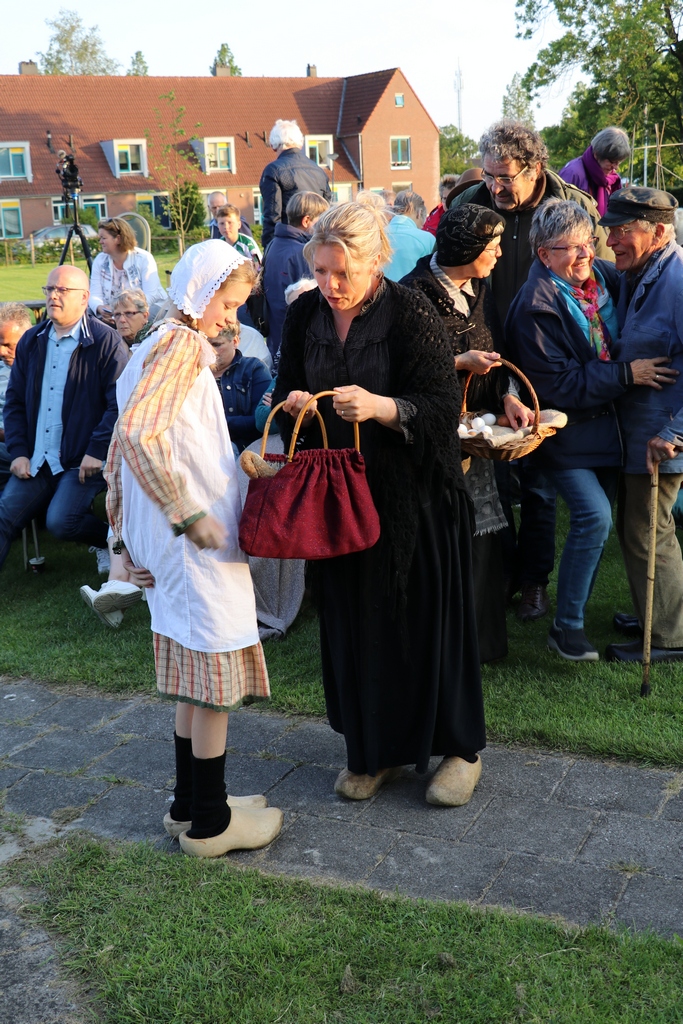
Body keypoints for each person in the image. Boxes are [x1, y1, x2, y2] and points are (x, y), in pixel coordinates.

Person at [273, 200, 486, 807]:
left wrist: (382, 407)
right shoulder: (305, 314)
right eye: (320, 270)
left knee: (424, 625)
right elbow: (286, 389)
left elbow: (441, 411)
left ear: (375, 262)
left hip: (413, 498)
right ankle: (375, 752)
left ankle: (460, 752)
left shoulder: (410, 311)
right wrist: (296, 405)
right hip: (339, 496)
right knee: (357, 625)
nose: (330, 285)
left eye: (342, 272)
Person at [104, 239, 284, 857]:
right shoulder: (181, 345)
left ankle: (190, 803)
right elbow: (137, 435)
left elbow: (119, 451)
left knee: (191, 673)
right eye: (226, 304)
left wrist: (121, 537)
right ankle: (211, 823)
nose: (231, 319)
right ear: (200, 292)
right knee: (211, 676)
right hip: (192, 545)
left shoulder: (155, 341)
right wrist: (187, 513)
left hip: (170, 541)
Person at [451, 119, 612, 623]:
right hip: (488, 353)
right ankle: (497, 574)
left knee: (540, 480)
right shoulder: (470, 202)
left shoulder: (570, 204)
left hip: (548, 355)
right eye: (489, 175)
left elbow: (597, 272)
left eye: (506, 177)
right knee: (493, 473)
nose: (496, 187)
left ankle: (533, 582)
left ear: (536, 167)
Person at [507, 198, 675, 660]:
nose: (585, 254)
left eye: (588, 242)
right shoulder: (535, 306)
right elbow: (558, 386)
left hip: (608, 430)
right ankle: (567, 627)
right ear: (544, 254)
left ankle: (572, 619)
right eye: (571, 248)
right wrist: (627, 374)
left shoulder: (602, 276)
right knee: (594, 517)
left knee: (597, 528)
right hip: (564, 431)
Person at [402, 204, 533, 663]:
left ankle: (481, 643)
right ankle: (443, 645)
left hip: (476, 433)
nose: (499, 254)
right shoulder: (414, 294)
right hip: (434, 437)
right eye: (491, 246)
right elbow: (402, 369)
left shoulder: (479, 289)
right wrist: (459, 362)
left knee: (481, 537)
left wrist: (508, 397)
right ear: (465, 248)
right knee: (445, 536)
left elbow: (496, 350)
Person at [597, 188, 683, 663]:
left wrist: (674, 434)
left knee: (650, 530)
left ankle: (669, 637)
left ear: (660, 232)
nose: (611, 241)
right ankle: (654, 612)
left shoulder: (678, 280)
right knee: (637, 526)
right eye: (610, 230)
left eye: (622, 231)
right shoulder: (643, 271)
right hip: (637, 433)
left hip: (660, 437)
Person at [0, 266, 128, 574]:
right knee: (3, 515)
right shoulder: (31, 340)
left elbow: (119, 404)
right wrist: (18, 452)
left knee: (60, 522)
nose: (53, 296)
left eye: (62, 290)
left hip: (82, 461)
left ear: (84, 298)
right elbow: (14, 403)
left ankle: (116, 542)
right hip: (37, 460)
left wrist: (97, 450)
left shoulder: (105, 342)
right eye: (49, 289)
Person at [262, 190, 329, 360]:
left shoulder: (272, 245)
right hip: (297, 343)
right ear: (306, 221)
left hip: (275, 339)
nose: (324, 228)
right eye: (321, 221)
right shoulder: (303, 252)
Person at [259, 119, 332, 246]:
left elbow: (272, 216)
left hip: (288, 244)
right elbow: (327, 212)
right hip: (317, 243)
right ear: (301, 144)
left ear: (273, 146)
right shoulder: (319, 171)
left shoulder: (273, 171)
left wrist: (269, 249)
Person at [89, 217, 166, 323]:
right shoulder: (100, 260)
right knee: (86, 314)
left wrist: (126, 312)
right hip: (113, 312)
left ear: (118, 239)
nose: (100, 242)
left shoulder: (143, 258)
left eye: (103, 238)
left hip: (144, 308)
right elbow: (94, 294)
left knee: (146, 315)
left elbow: (151, 295)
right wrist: (99, 308)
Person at [211, 322, 272, 452]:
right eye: (205, 344)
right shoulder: (193, 371)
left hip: (245, 448)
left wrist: (215, 424)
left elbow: (260, 420)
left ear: (235, 341)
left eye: (217, 344)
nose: (210, 350)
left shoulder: (254, 368)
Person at [560, 128, 630, 218]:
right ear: (597, 154)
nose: (616, 167)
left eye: (619, 162)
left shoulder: (612, 179)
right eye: (612, 161)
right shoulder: (573, 174)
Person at [0, 303, 32, 493]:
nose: (1, 352)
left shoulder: (37, 372)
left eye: (8, 345)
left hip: (18, 446)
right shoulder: (3, 366)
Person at [383, 190, 435, 281]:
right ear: (419, 213)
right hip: (414, 289)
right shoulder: (428, 239)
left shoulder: (377, 235)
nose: (421, 227)